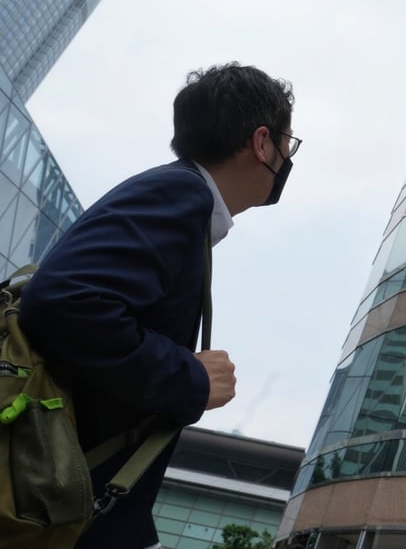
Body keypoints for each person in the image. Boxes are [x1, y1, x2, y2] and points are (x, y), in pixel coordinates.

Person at [19, 62, 299, 549]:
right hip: (65, 503)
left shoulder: (181, 196)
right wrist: (191, 377)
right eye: (287, 142)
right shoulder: (181, 193)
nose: (288, 157)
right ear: (261, 143)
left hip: (83, 506)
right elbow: (63, 302)